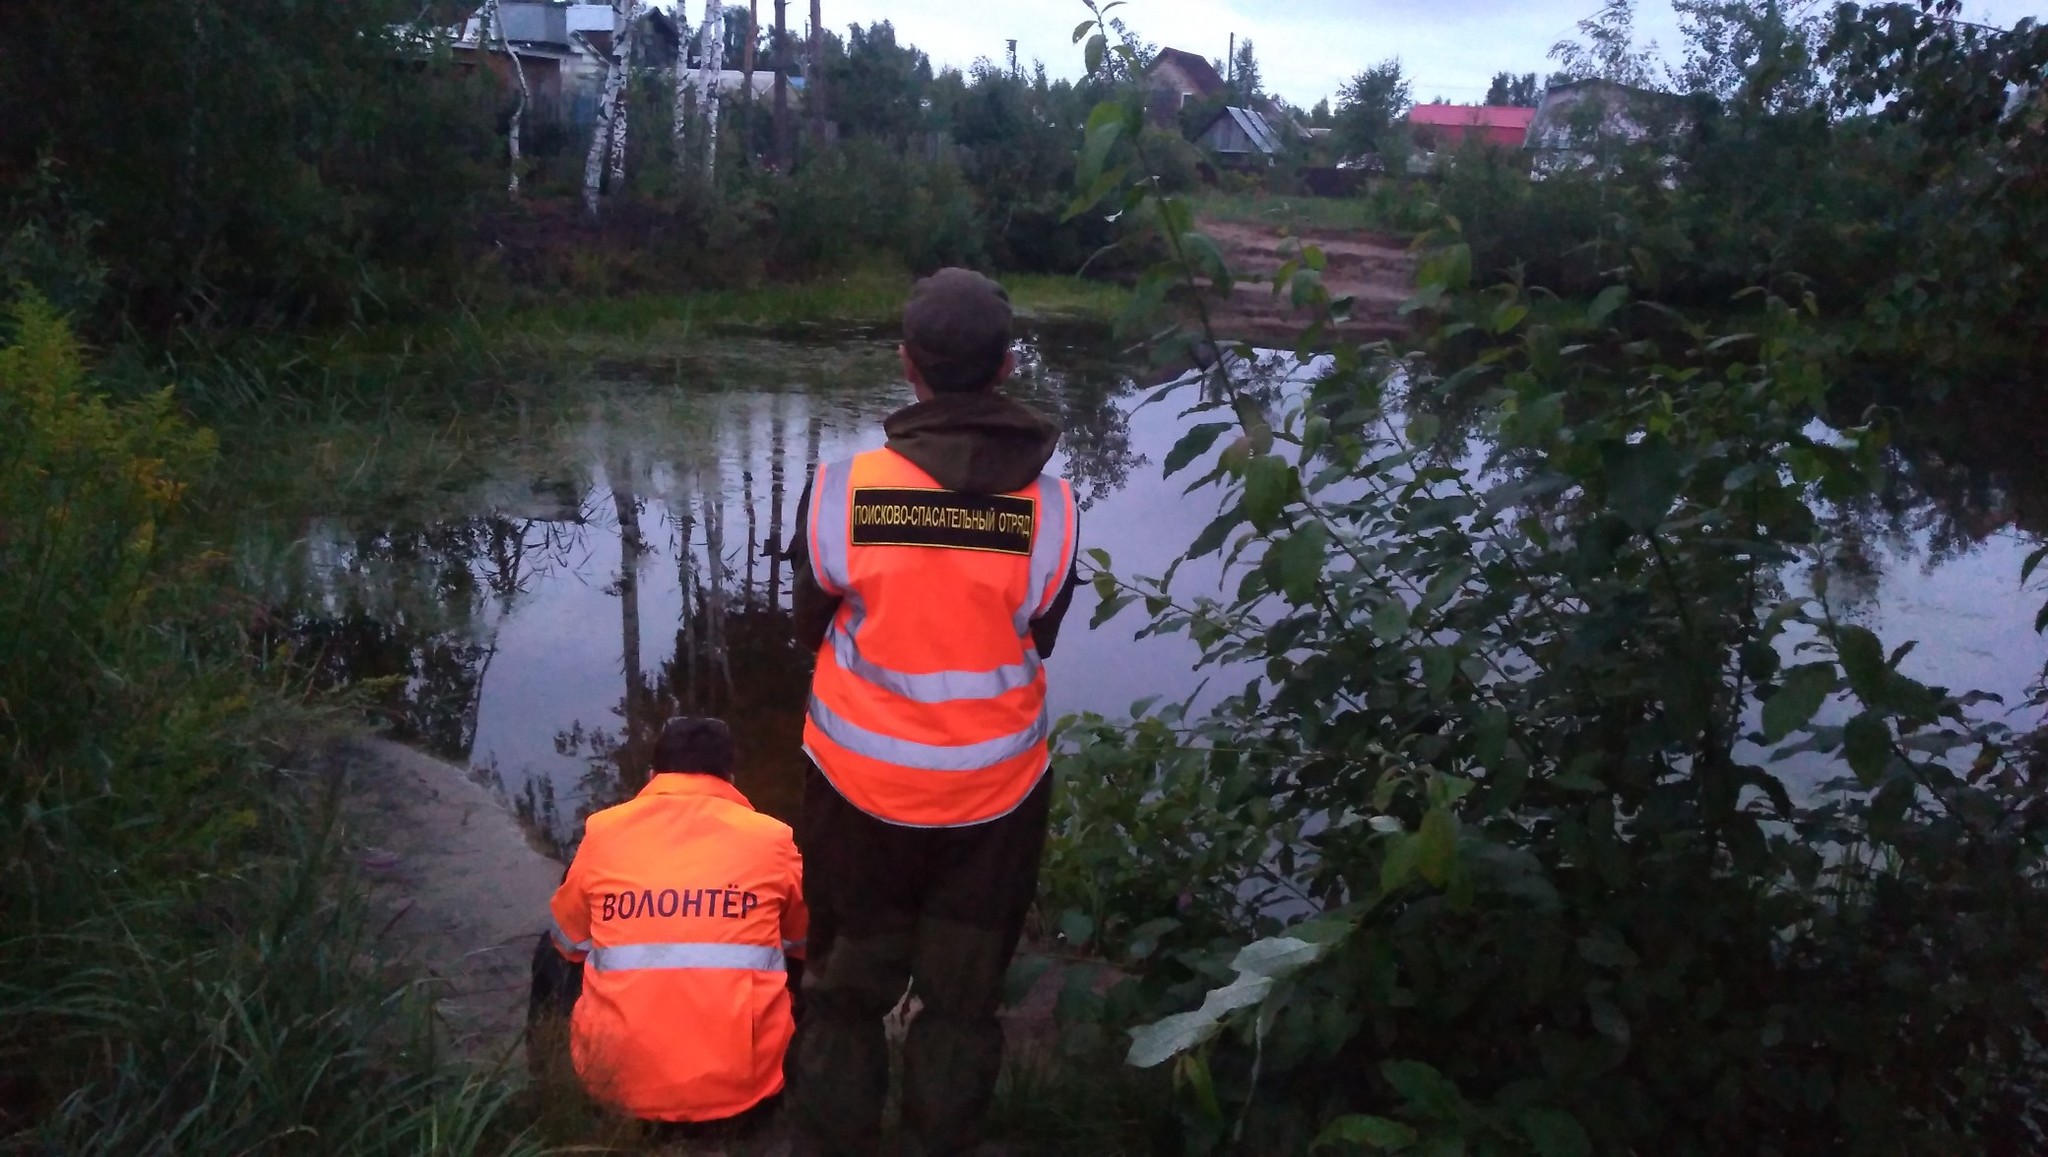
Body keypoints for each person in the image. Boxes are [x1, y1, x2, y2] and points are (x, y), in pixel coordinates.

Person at [784, 268, 1081, 1156]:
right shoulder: (1053, 509)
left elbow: (810, 623)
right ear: (1007, 366)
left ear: (907, 364)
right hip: (994, 802)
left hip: (856, 791)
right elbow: (1041, 634)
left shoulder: (842, 490)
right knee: (960, 1003)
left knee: (840, 991)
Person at [534, 716, 808, 1142]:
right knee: (794, 950)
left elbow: (568, 942)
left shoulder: (603, 831)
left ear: (652, 776)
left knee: (553, 943)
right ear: (730, 778)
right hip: (746, 1090)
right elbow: (804, 940)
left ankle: (543, 1074)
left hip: (616, 1088)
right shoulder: (774, 838)